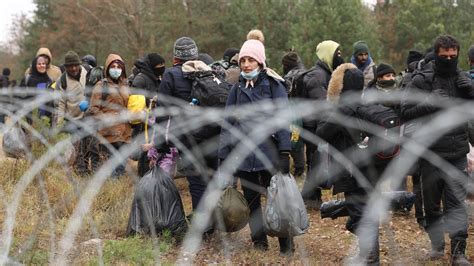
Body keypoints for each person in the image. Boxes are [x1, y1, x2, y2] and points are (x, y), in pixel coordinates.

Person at [401, 35, 474, 264]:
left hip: (457, 152)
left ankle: (458, 252)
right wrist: (428, 103)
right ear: (437, 55)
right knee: (432, 205)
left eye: (454, 56)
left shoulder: (462, 79)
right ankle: (436, 244)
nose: (450, 59)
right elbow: (404, 112)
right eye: (445, 56)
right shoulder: (421, 80)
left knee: (456, 205)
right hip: (430, 152)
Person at [218, 38, 294, 256]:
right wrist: (224, 156)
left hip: (268, 154)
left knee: (277, 201)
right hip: (244, 156)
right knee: (251, 201)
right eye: (243, 60)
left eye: (251, 60)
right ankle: (259, 242)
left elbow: (282, 119)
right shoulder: (237, 89)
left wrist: (284, 151)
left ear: (260, 62)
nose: (246, 65)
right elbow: (228, 125)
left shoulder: (273, 85)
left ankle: (285, 244)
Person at [315, 63, 379, 264]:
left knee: (360, 213)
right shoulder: (365, 105)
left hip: (353, 170)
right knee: (362, 210)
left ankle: (370, 257)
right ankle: (367, 253)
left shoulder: (346, 109)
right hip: (368, 168)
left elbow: (322, 133)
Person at [155, 37, 219, 231]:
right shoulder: (209, 72)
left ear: (175, 57)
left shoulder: (172, 76)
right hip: (214, 136)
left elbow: (162, 112)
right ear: (195, 54)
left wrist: (161, 143)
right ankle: (215, 220)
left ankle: (203, 228)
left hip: (189, 139)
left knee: (198, 183)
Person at [300, 40, 345, 210]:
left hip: (317, 125)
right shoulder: (318, 75)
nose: (339, 57)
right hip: (313, 126)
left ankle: (311, 196)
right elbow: (322, 103)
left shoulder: (326, 73)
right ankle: (310, 197)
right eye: (337, 54)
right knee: (315, 161)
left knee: (316, 161)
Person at [87, 54, 131, 178]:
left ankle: (118, 193)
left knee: (121, 168)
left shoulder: (126, 86)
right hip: (108, 134)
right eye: (113, 66)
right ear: (107, 68)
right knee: (111, 169)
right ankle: (110, 194)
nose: (116, 69)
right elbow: (94, 108)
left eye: (119, 67)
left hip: (124, 134)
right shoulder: (101, 86)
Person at [55, 51, 91, 175]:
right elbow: (59, 104)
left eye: (76, 65)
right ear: (66, 67)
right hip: (72, 119)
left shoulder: (86, 74)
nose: (74, 68)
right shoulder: (62, 81)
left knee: (89, 145)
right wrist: (59, 123)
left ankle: (88, 168)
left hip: (88, 116)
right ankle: (80, 171)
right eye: (70, 66)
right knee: (77, 147)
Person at [130, 52, 166, 176]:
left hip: (157, 125)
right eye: (159, 65)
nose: (162, 68)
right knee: (145, 159)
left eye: (163, 65)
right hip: (143, 127)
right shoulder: (140, 80)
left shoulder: (159, 78)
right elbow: (135, 107)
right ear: (152, 66)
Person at [282, 51, 306, 177]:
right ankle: (302, 167)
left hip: (293, 114)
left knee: (295, 139)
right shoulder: (306, 72)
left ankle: (298, 168)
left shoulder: (288, 77)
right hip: (308, 112)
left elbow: (285, 95)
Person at [20, 55, 53, 125]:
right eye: (39, 64)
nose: (42, 66)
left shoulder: (49, 81)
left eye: (43, 64)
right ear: (35, 65)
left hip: (46, 122)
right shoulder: (27, 80)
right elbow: (20, 99)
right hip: (29, 122)